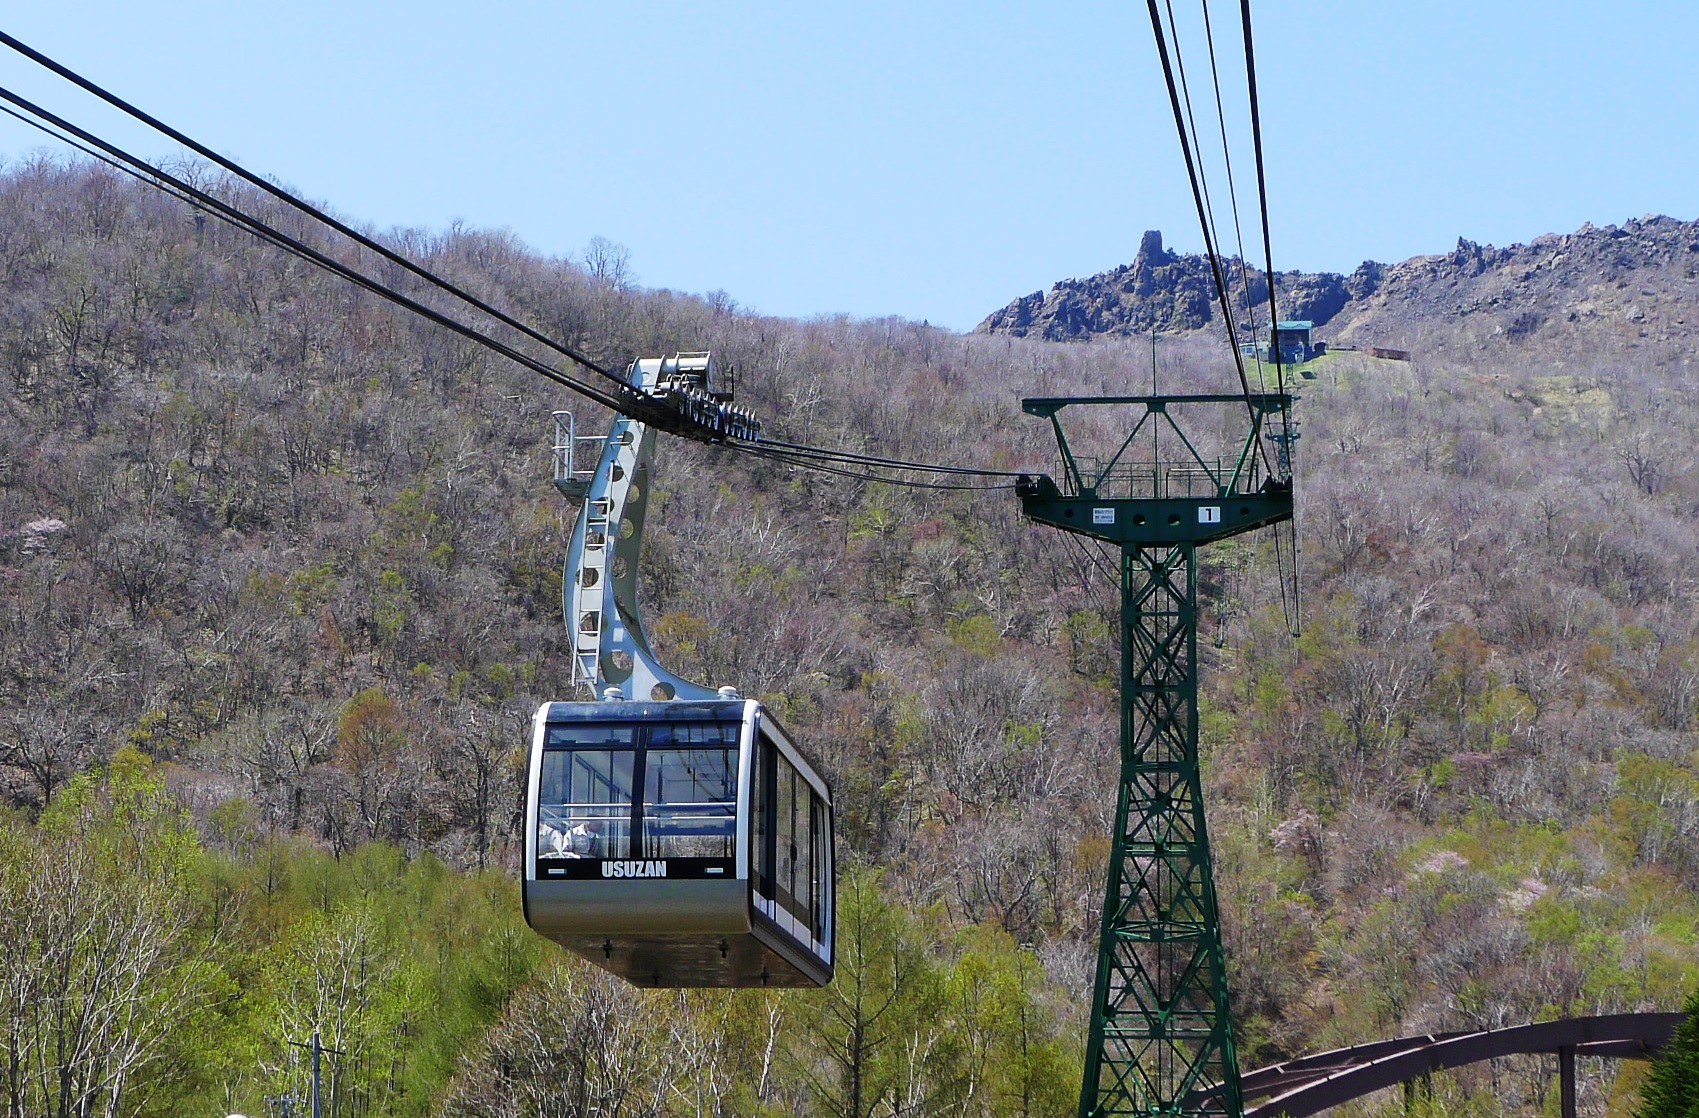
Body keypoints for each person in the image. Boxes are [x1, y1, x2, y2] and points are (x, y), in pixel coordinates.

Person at [539, 815, 604, 858]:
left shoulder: (597, 836)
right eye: (596, 825)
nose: (599, 828)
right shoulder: (572, 833)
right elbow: (565, 852)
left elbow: (600, 853)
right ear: (587, 823)